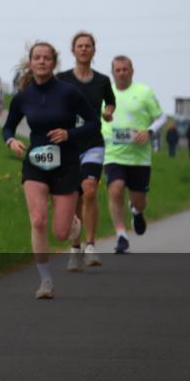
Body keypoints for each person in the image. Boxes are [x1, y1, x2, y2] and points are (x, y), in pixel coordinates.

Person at [2, 42, 100, 299]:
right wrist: (11, 140)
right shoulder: (23, 97)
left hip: (66, 165)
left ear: (54, 62)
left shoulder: (69, 93)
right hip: (35, 163)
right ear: (31, 62)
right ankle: (45, 281)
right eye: (37, 58)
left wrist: (69, 133)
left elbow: (93, 123)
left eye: (46, 58)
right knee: (37, 220)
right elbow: (8, 127)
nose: (42, 62)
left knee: (61, 233)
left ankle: (74, 225)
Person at [56, 31, 116, 270]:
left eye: (87, 46)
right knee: (74, 197)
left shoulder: (102, 80)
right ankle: (75, 248)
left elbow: (111, 101)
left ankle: (91, 246)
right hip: (69, 144)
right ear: (73, 51)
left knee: (89, 191)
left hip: (92, 142)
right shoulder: (61, 79)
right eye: (79, 46)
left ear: (93, 50)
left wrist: (108, 111)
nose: (83, 49)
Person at [101, 55, 166, 254]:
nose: (121, 73)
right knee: (116, 189)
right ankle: (121, 235)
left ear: (132, 71)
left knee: (139, 200)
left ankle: (136, 211)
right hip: (113, 154)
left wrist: (149, 132)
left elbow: (161, 117)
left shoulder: (144, 92)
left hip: (139, 157)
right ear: (112, 73)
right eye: (117, 70)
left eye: (125, 69)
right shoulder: (104, 94)